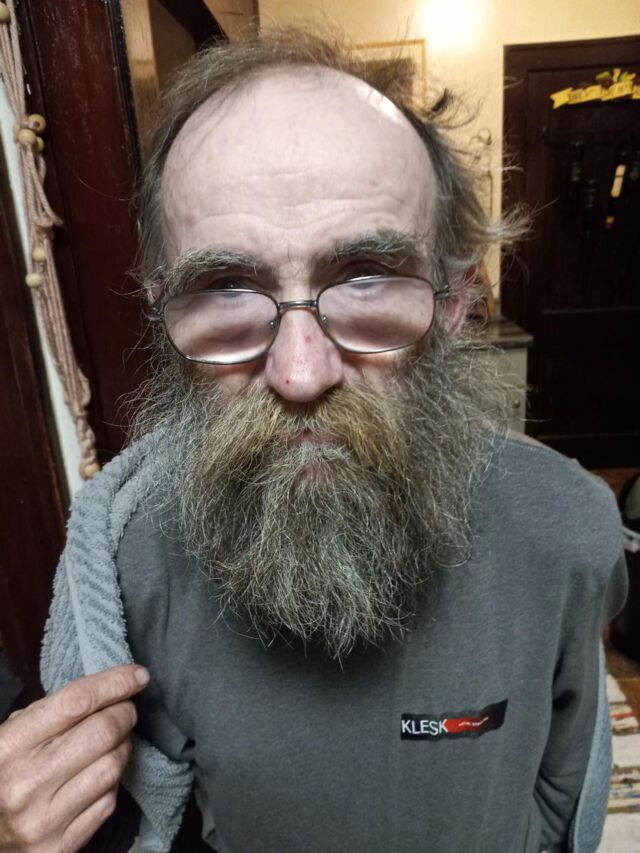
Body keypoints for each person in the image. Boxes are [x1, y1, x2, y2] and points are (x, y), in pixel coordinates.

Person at [0, 29, 627, 853]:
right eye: (227, 285)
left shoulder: (569, 525)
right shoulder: (132, 560)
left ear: (454, 302)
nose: (299, 373)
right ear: (163, 313)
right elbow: (155, 809)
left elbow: (567, 782)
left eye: (367, 274)